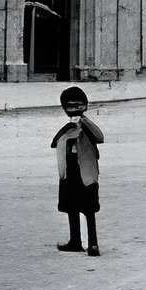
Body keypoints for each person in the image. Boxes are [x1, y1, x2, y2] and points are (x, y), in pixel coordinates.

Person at [52, 85, 104, 256]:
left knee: (88, 208)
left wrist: (83, 121)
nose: (74, 110)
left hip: (85, 170)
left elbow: (99, 137)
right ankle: (76, 240)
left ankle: (93, 244)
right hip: (70, 169)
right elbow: (55, 143)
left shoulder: (86, 125)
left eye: (78, 106)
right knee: (71, 207)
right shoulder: (68, 127)